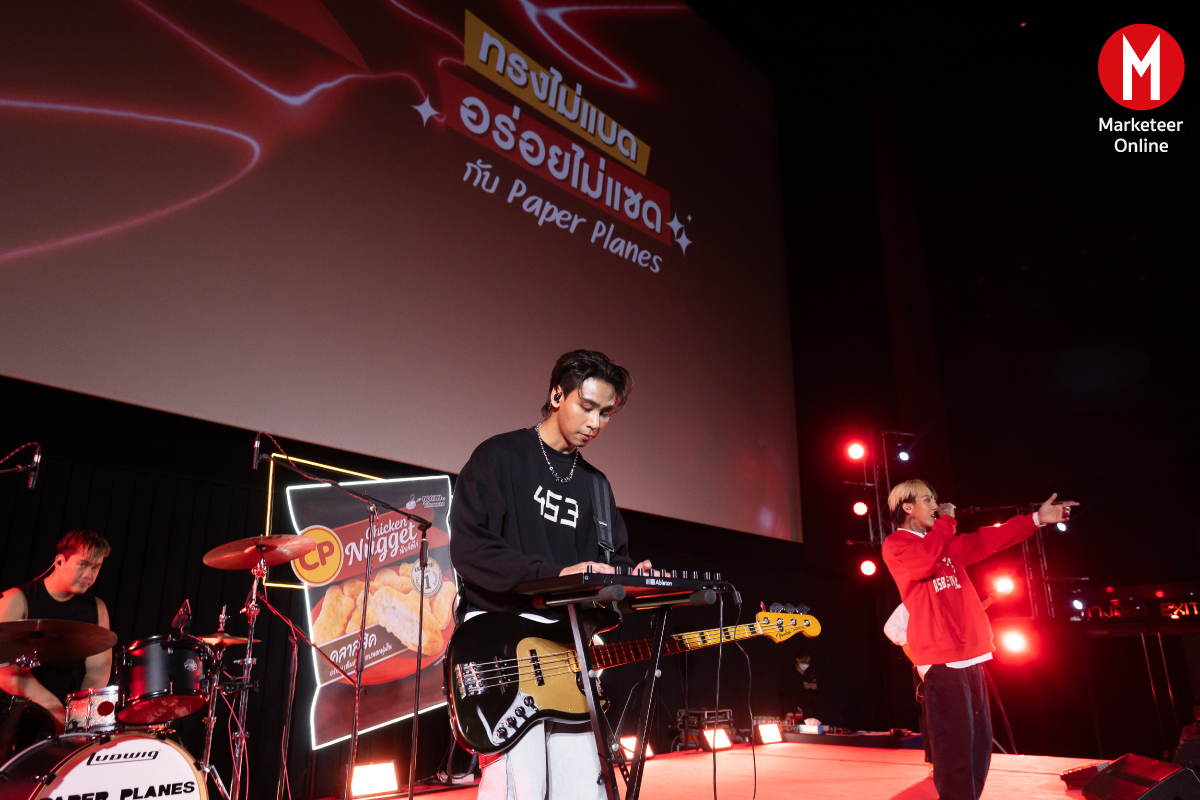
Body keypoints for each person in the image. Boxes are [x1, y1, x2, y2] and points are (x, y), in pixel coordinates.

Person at [449, 350, 651, 800]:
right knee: (521, 789)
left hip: (567, 653)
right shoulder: (499, 457)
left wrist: (631, 577)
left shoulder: (597, 487)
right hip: (503, 647)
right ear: (557, 395)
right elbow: (471, 550)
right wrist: (556, 574)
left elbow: (608, 563)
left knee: (584, 790)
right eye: (586, 406)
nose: (595, 423)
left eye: (605, 413)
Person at [881, 480, 1074, 800]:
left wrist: (1036, 519)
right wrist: (946, 522)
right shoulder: (897, 544)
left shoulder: (945, 542)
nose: (935, 506)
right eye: (928, 500)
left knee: (978, 745)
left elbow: (988, 539)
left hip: (972, 654)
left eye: (936, 500)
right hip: (942, 659)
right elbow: (924, 563)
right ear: (908, 507)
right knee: (954, 748)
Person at [0, 530, 113, 753]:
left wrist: (81, 714)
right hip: (11, 704)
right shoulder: (16, 598)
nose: (89, 574)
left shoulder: (96, 608)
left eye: (96, 567)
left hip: (65, 705)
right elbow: (3, 668)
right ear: (60, 561)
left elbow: (98, 668)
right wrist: (53, 707)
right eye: (83, 565)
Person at [779, 650, 820, 721]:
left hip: (807, 714)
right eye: (804, 661)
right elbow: (784, 689)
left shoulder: (809, 674)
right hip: (791, 711)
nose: (806, 664)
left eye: (808, 662)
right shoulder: (789, 673)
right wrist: (803, 686)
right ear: (797, 659)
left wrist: (815, 687)